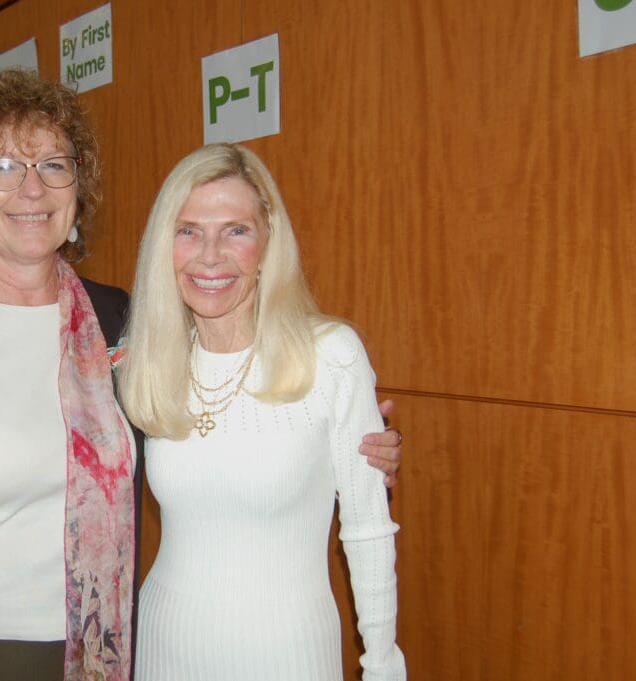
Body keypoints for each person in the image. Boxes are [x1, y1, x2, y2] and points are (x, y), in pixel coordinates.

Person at [0, 70, 403, 681]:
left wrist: (354, 445)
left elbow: (236, 419)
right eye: (2, 167)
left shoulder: (120, 324)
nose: (32, 188)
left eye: (53, 165)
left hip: (98, 648)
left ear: (76, 191)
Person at [118, 144, 406, 681]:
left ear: (268, 238)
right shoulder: (146, 362)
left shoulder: (332, 355)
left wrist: (383, 665)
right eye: (188, 231)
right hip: (164, 647)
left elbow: (367, 531)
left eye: (235, 230)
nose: (209, 256)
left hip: (287, 653)